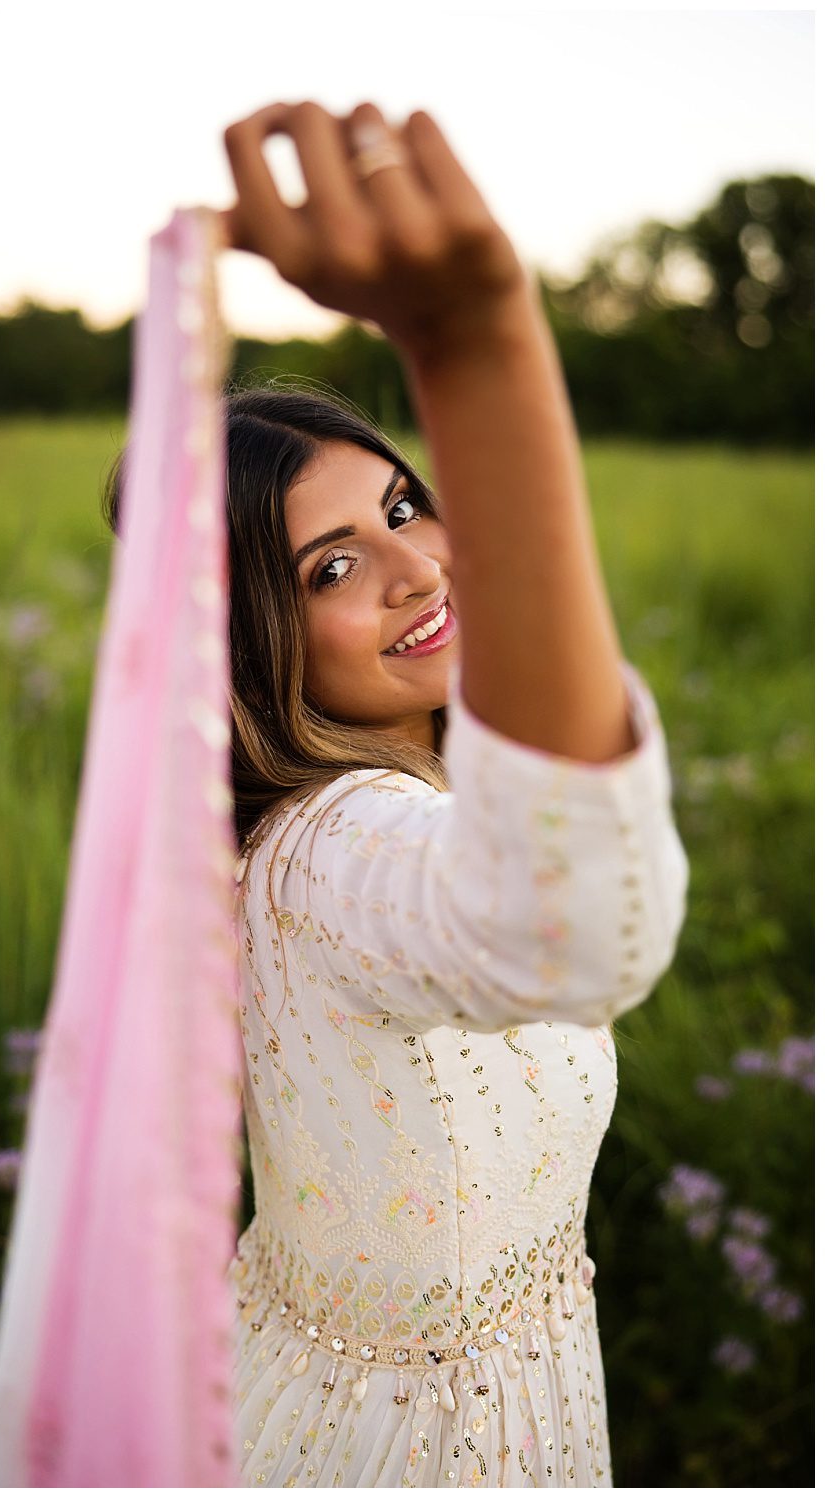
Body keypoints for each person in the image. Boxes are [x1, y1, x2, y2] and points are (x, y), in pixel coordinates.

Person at [110, 105, 689, 1483]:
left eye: (407, 505)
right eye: (327, 567)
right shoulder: (333, 848)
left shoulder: (401, 791)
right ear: (249, 636)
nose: (420, 565)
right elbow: (574, 931)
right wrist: (477, 346)